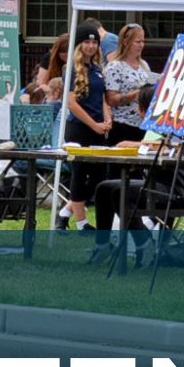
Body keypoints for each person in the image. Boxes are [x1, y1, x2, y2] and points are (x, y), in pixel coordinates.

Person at [58, 17, 112, 229]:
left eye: (94, 42)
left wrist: (107, 117)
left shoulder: (98, 68)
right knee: (80, 173)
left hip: (98, 128)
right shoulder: (72, 69)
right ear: (79, 44)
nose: (91, 46)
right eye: (87, 42)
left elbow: (103, 97)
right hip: (79, 128)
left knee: (100, 175)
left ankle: (65, 211)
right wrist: (93, 124)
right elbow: (71, 103)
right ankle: (82, 223)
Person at [104, 24, 155, 137]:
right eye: (137, 42)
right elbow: (111, 99)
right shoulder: (115, 67)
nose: (141, 45)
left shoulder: (144, 65)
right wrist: (138, 93)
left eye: (143, 41)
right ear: (125, 42)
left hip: (143, 124)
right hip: (123, 125)